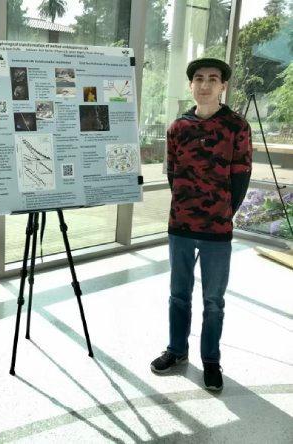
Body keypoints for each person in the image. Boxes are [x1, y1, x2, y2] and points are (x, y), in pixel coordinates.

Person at [150, 58, 253, 391]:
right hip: (180, 224)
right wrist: (185, 206)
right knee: (178, 294)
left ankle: (211, 359)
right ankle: (177, 350)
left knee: (213, 300)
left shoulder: (237, 126)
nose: (205, 84)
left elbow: (241, 176)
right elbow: (173, 173)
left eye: (213, 79)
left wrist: (223, 212)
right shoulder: (177, 128)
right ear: (191, 85)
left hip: (217, 230)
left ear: (223, 85)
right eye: (199, 78)